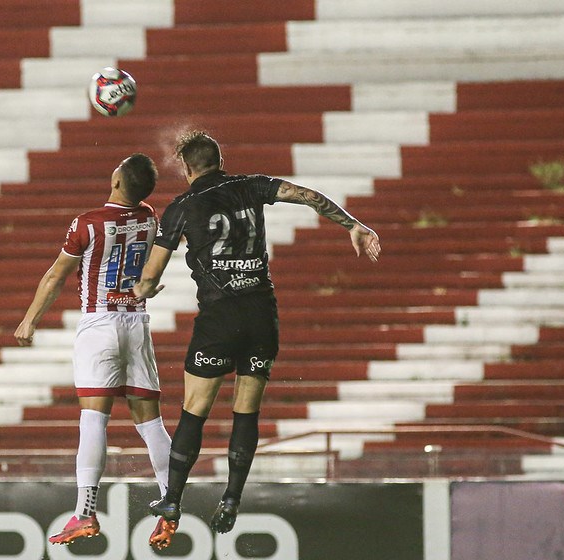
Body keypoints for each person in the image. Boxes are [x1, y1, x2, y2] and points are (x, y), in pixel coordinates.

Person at [132, 131, 381, 549]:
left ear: (188, 168)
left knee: (194, 412)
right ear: (220, 159)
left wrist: (142, 289)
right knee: (245, 413)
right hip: (261, 313)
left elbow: (151, 275)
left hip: (220, 318)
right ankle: (232, 498)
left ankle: (173, 500)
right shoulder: (252, 184)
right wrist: (352, 224)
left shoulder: (182, 208)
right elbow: (307, 195)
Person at [14, 153, 173, 546]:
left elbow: (56, 275)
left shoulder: (88, 223)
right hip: (137, 323)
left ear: (118, 180)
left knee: (93, 420)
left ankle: (84, 513)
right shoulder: (150, 216)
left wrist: (30, 319)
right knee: (151, 424)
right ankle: (171, 506)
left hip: (99, 323)